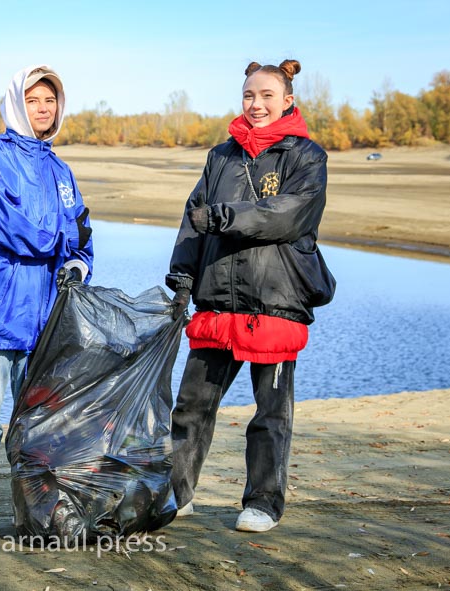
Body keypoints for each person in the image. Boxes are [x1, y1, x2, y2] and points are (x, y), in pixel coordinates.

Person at [166, 59, 335, 533]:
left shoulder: (307, 157)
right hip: (217, 299)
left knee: (270, 415)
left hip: (275, 301)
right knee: (191, 407)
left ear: (287, 101)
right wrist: (181, 274)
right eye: (248, 96)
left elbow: (287, 215)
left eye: (266, 96)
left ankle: (263, 502)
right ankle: (178, 494)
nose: (256, 105)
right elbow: (193, 215)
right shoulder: (220, 156)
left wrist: (224, 217)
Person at [0, 64, 94, 537]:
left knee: (37, 418)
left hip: (41, 316)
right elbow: (5, 224)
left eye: (50, 100)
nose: (43, 109)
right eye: (33, 100)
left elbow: (82, 232)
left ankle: (28, 508)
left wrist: (80, 263)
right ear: (15, 103)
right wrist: (61, 242)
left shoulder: (59, 170)